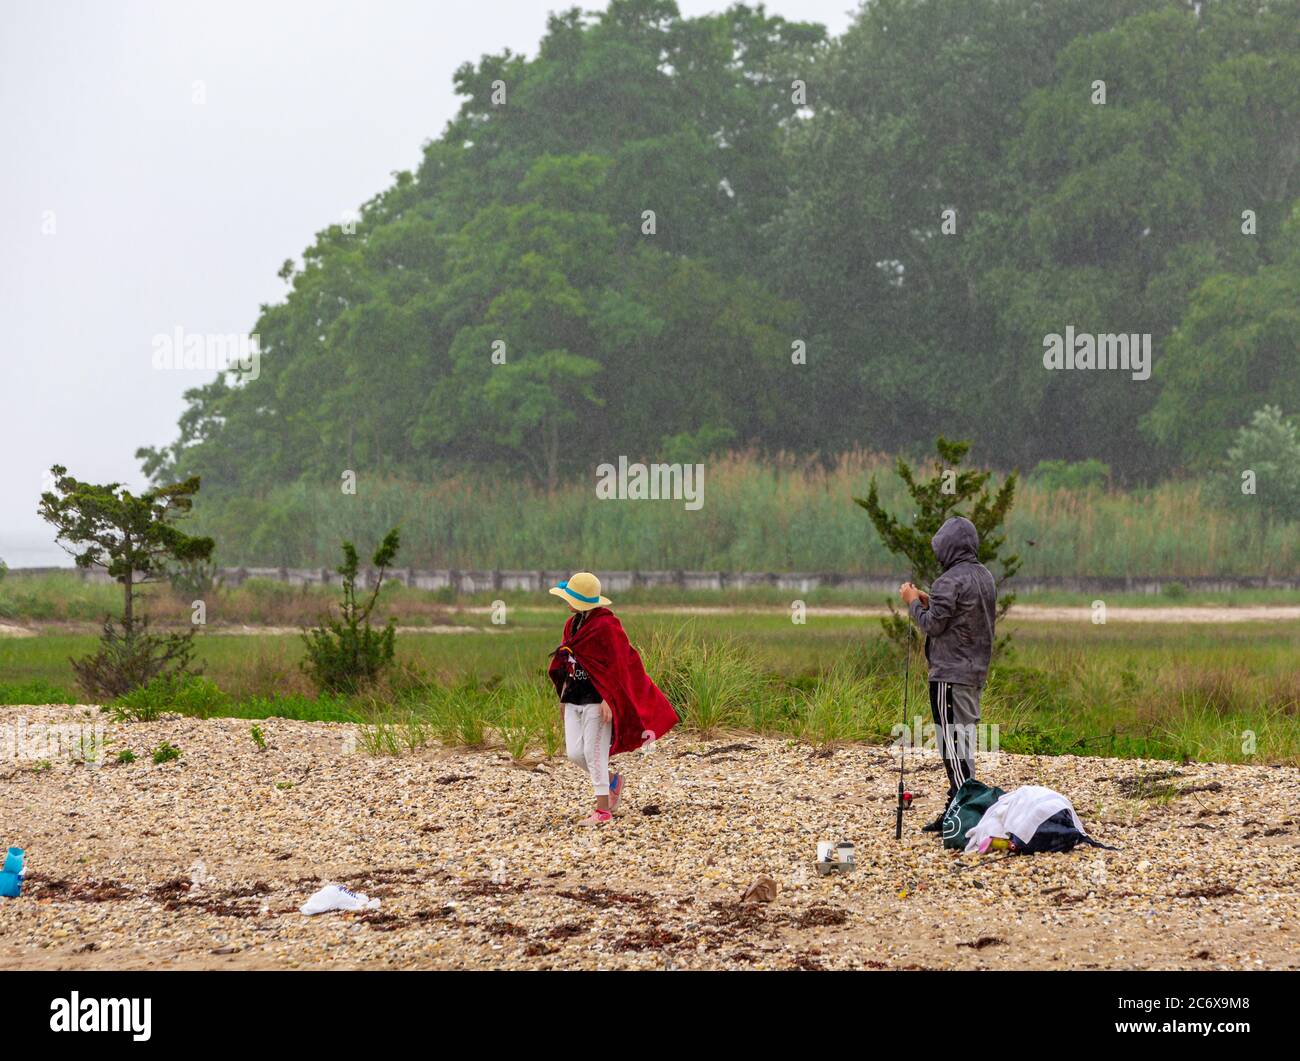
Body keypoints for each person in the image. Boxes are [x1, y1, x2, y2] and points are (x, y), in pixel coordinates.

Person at [547, 571, 679, 825]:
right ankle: (613, 781)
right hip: (574, 695)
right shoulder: (571, 624)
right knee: (575, 752)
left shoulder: (607, 626)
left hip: (597, 699)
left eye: (570, 598)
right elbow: (567, 660)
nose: (566, 602)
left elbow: (617, 666)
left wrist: (610, 699)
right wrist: (563, 694)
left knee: (594, 752)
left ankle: (603, 810)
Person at [898, 516, 997, 834]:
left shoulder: (949, 581)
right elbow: (956, 612)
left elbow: (932, 625)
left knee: (953, 746)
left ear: (949, 549)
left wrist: (913, 603)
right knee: (963, 742)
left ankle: (967, 814)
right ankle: (958, 805)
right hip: (974, 672)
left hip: (949, 675)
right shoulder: (984, 576)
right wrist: (931, 600)